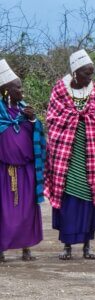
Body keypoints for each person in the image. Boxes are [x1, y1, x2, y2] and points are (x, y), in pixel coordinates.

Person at [45, 49, 95, 260]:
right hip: (65, 155)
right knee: (68, 197)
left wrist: (83, 119)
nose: (90, 77)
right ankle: (68, 246)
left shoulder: (94, 90)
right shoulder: (59, 90)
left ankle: (87, 246)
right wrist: (75, 119)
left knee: (88, 196)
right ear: (75, 73)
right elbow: (52, 120)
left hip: (88, 151)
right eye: (87, 73)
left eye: (91, 73)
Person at [0, 59, 45, 262]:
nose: (22, 91)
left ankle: (26, 249)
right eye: (18, 88)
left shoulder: (26, 111)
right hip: (3, 171)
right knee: (4, 212)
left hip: (26, 170)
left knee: (27, 211)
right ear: (7, 91)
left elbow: (39, 136)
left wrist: (34, 120)